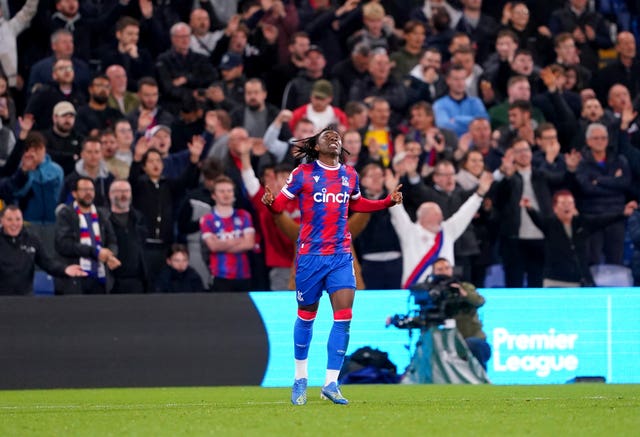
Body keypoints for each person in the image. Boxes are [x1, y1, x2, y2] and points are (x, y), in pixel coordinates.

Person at [261, 127, 403, 405]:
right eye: (328, 136)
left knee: (344, 317)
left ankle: (331, 382)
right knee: (306, 317)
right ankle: (300, 378)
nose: (335, 138)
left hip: (340, 255)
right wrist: (270, 205)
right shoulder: (302, 174)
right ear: (315, 145)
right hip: (310, 257)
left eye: (337, 135)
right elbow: (279, 205)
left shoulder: (349, 175)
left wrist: (387, 201)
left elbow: (359, 204)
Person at [386, 168, 492, 288]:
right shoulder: (410, 232)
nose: (440, 217)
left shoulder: (447, 231)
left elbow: (465, 213)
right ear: (422, 217)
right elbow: (397, 212)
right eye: (435, 214)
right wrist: (392, 190)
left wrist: (480, 193)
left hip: (445, 289)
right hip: (416, 288)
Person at [522, 190, 637, 287]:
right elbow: (537, 218)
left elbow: (602, 220)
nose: (567, 206)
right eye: (563, 203)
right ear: (555, 208)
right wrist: (529, 208)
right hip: (555, 281)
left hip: (579, 281)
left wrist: (623, 214)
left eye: (570, 203)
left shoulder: (582, 223)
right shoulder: (549, 224)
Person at [54, 177, 121, 294]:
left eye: (91, 189)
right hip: (76, 279)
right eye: (84, 190)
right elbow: (64, 244)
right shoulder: (66, 214)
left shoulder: (102, 214)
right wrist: (94, 252)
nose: (89, 193)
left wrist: (111, 255)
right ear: (74, 193)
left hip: (100, 278)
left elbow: (112, 240)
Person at [0, 205, 86, 295]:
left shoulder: (31, 239)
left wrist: (64, 269)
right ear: (1, 220)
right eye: (9, 220)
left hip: (25, 300)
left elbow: (47, 263)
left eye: (18, 219)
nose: (14, 224)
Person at [431, 257, 491, 370]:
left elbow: (479, 301)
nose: (444, 271)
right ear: (433, 272)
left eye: (447, 268)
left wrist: (462, 293)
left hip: (473, 340)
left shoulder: (465, 287)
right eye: (440, 269)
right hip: (444, 341)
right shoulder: (431, 292)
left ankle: (481, 382)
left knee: (471, 344)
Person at [200, 175, 255, 292]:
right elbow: (213, 246)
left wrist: (222, 244)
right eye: (222, 191)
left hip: (243, 275)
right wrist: (239, 240)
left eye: (229, 191)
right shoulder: (207, 219)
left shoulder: (244, 215)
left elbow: (249, 244)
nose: (226, 194)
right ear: (213, 195)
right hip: (220, 275)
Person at [107, 180, 149, 294]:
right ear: (110, 194)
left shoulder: (139, 219)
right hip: (112, 281)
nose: (123, 195)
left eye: (126, 191)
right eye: (119, 191)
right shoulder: (104, 220)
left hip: (137, 281)